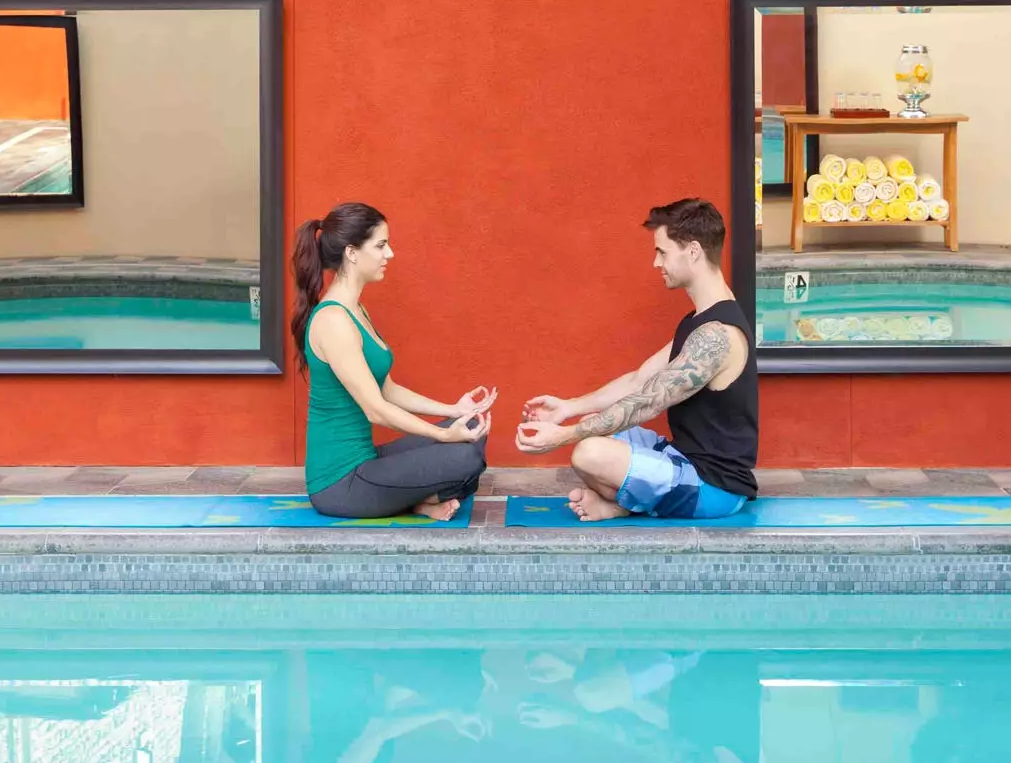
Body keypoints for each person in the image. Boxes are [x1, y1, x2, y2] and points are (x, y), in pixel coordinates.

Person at [516, 198, 758, 521]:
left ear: (694, 252)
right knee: (595, 436)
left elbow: (648, 402)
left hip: (713, 488)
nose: (656, 263)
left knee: (589, 452)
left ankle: (622, 505)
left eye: (662, 252)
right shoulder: (701, 320)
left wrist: (564, 435)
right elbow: (640, 379)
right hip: (682, 458)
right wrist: (568, 407)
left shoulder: (718, 336)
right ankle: (621, 504)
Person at [291, 202, 493, 520]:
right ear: (352, 253)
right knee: (463, 459)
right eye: (381, 245)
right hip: (340, 484)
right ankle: (419, 499)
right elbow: (375, 410)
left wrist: (454, 411)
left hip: (366, 461)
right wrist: (441, 435)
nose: (390, 254)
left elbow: (386, 389)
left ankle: (418, 500)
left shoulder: (356, 311)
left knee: (471, 429)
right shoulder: (333, 321)